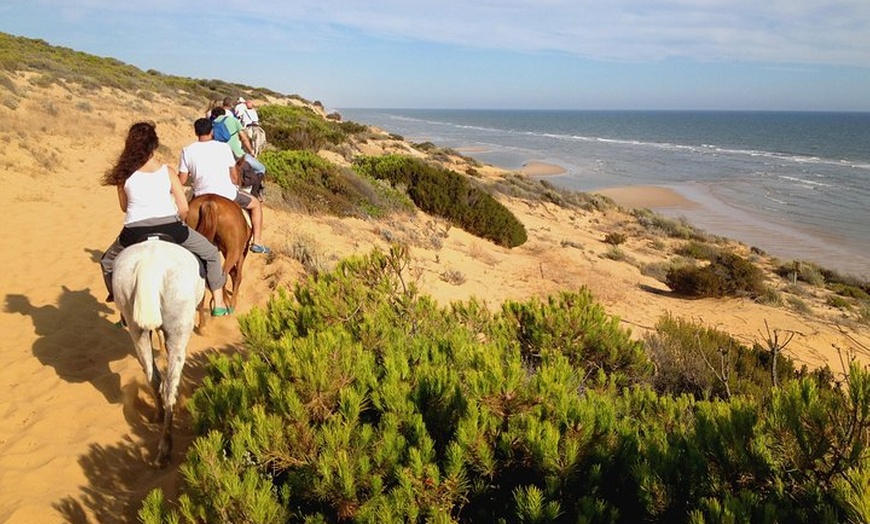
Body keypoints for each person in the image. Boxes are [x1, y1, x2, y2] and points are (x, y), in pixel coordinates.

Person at [100, 121, 232, 316]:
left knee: (107, 262)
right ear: (154, 145)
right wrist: (179, 220)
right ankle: (219, 301)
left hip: (134, 230)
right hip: (170, 227)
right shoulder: (168, 172)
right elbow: (184, 208)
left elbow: (124, 207)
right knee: (211, 253)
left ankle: (118, 299)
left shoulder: (123, 175)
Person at [179, 117, 271, 254]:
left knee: (182, 213)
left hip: (200, 194)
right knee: (256, 204)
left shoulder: (187, 150)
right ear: (212, 131)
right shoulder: (224, 147)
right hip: (227, 193)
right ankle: (257, 242)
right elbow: (234, 177)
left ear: (196, 132)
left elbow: (182, 179)